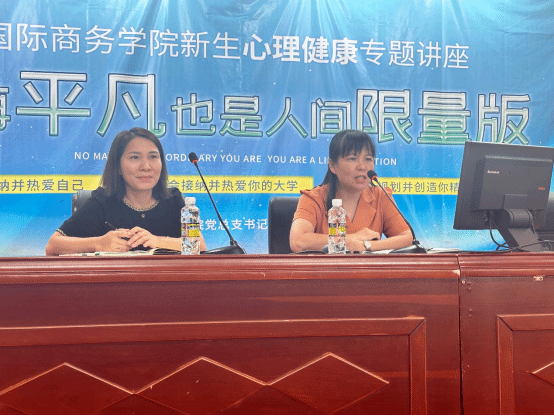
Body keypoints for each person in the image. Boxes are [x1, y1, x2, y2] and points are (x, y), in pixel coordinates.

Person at [45, 127, 207, 255]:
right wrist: (99, 243)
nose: (146, 166)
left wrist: (157, 241)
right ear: (118, 167)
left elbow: (200, 245)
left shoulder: (173, 199)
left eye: (153, 157)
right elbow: (53, 246)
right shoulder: (102, 201)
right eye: (134, 157)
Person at [290, 130, 413, 253]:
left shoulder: (380, 196)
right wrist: (350, 240)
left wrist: (366, 245)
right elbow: (298, 242)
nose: (362, 166)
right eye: (352, 158)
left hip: (368, 266)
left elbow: (406, 238)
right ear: (332, 165)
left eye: (368, 159)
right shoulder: (314, 198)